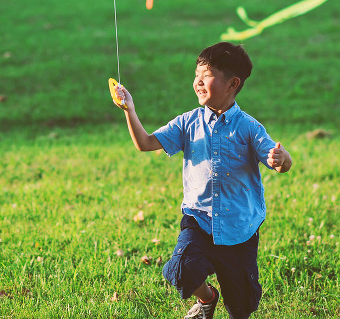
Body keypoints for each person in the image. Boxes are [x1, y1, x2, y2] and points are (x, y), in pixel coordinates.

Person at [111, 42, 292, 319]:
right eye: (196, 74)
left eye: (206, 75)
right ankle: (207, 300)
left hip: (239, 228)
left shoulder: (249, 127)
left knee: (242, 307)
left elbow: (278, 160)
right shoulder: (188, 122)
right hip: (199, 219)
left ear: (232, 83)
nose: (197, 81)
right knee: (180, 270)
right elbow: (146, 143)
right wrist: (129, 110)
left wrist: (281, 159)